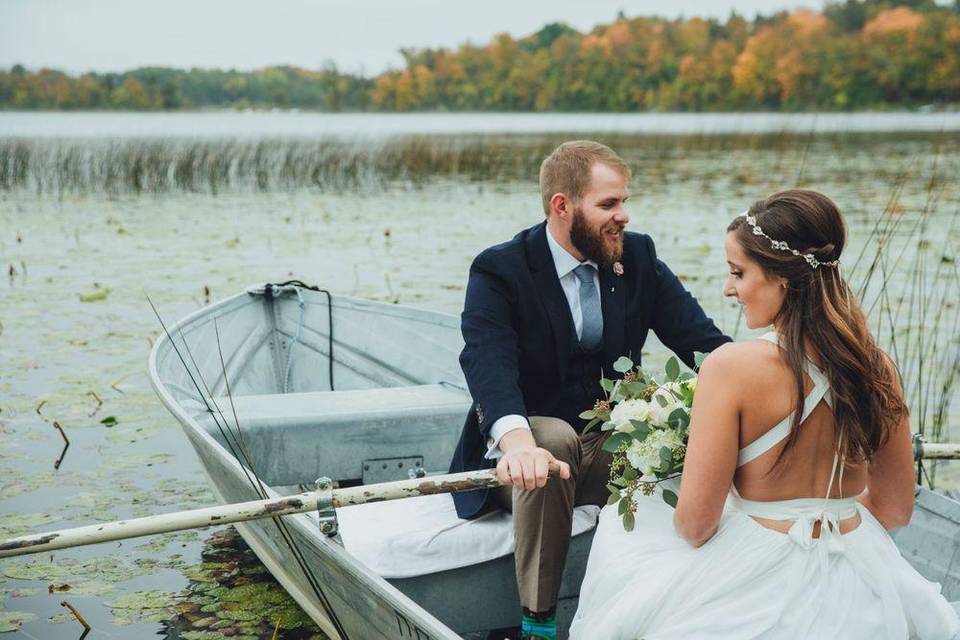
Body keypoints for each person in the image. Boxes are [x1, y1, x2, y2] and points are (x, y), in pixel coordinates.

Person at [569, 189, 960, 639]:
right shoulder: (878, 368)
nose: (729, 288)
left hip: (760, 577)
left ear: (784, 280)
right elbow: (894, 509)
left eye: (738, 272)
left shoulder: (731, 368)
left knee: (626, 531)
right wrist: (828, 526)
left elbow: (697, 525)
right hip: (861, 577)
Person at [447, 140, 730, 640]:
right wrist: (517, 446)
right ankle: (538, 623)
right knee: (552, 439)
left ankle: (694, 599)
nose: (623, 215)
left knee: (697, 434)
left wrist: (773, 379)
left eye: (623, 201)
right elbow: (486, 361)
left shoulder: (636, 255)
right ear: (562, 206)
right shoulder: (501, 270)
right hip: (530, 463)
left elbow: (701, 343)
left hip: (607, 451)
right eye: (609, 204)